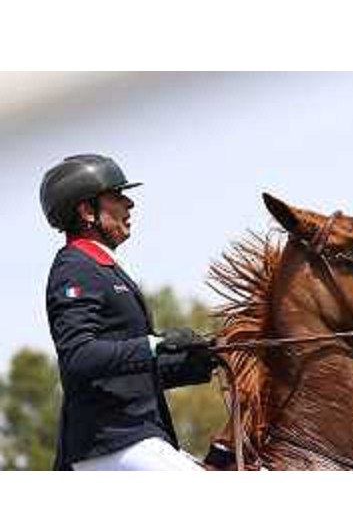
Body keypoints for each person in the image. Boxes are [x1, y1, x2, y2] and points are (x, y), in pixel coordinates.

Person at [41, 154, 220, 471]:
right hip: (109, 443)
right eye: (117, 196)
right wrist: (156, 343)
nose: (130, 204)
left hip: (138, 437)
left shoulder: (104, 268)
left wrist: (204, 359)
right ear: (87, 211)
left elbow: (129, 377)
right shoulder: (75, 268)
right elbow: (78, 357)